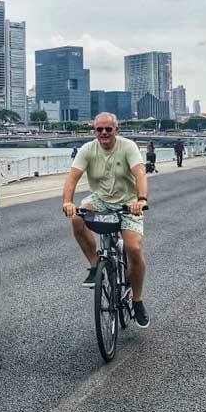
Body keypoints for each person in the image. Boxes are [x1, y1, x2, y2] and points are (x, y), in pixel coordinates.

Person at [62, 112, 150, 328]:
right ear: (94, 131)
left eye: (108, 129)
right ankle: (94, 267)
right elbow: (73, 177)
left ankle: (137, 300)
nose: (103, 133)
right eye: (99, 129)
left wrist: (141, 199)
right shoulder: (87, 150)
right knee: (76, 217)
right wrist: (68, 201)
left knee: (133, 248)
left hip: (129, 202)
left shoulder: (128, 147)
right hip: (101, 199)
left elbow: (140, 174)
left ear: (116, 131)